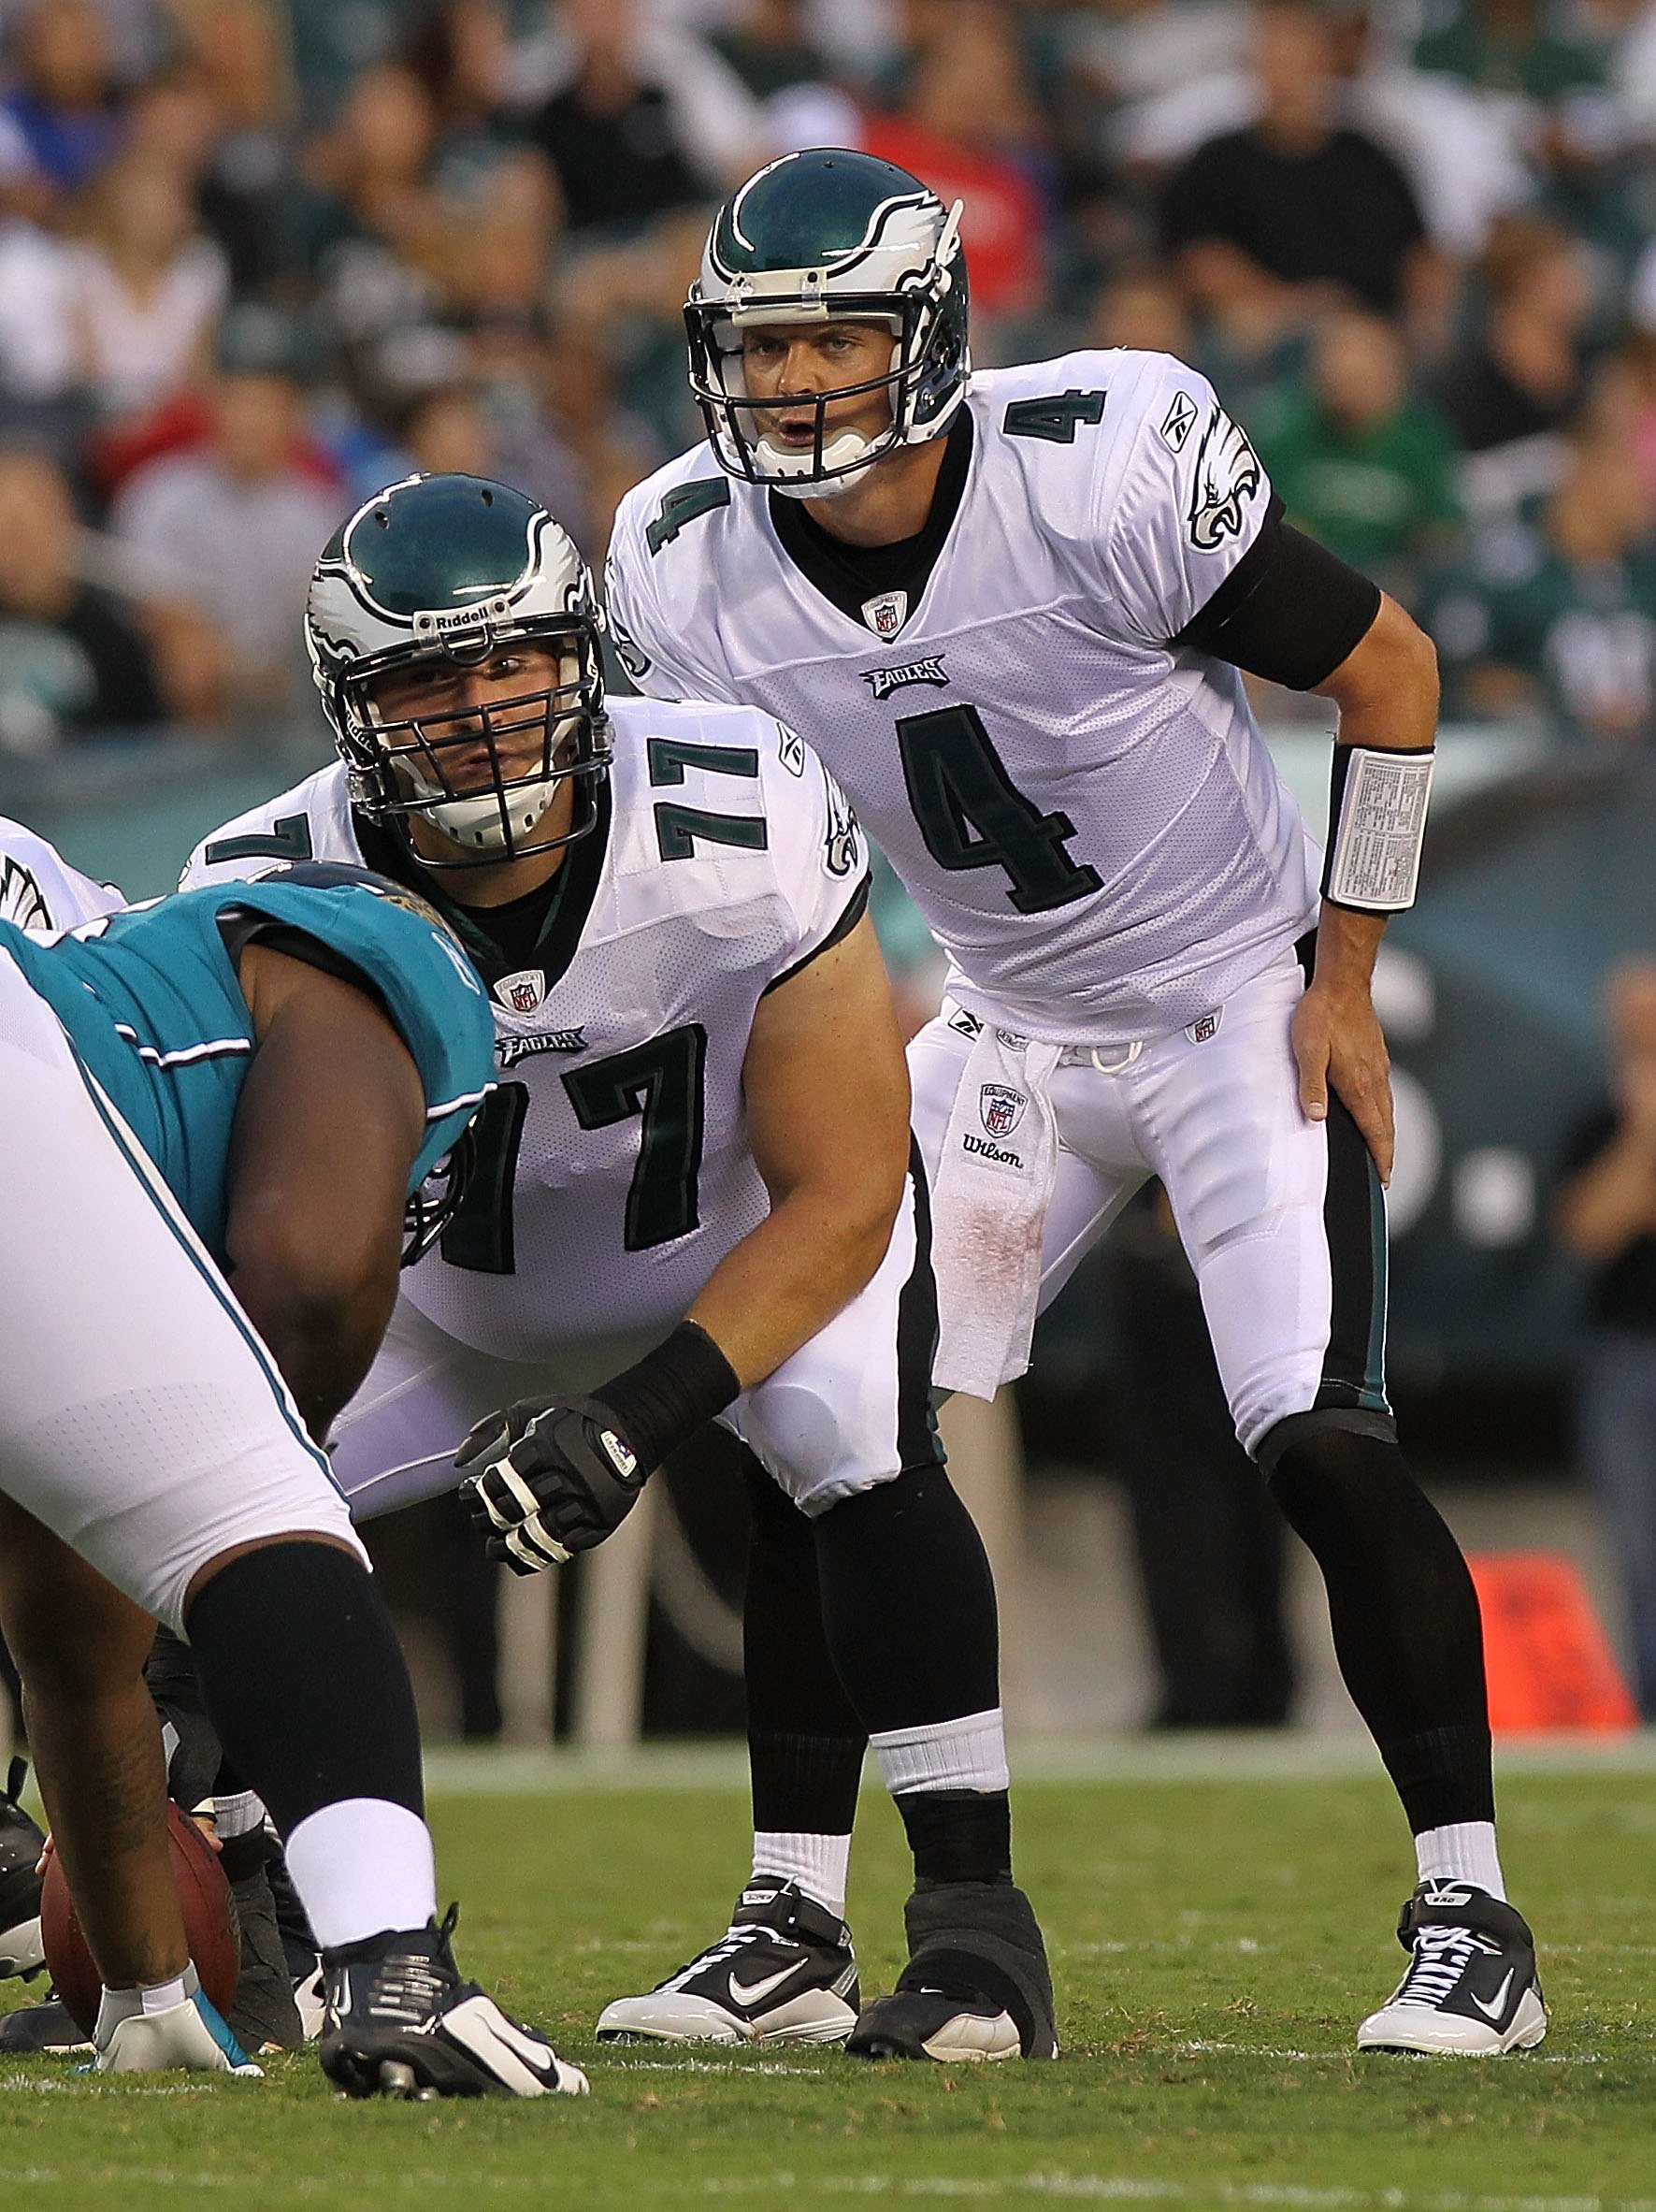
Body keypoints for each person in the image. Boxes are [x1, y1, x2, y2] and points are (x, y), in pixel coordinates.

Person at [603, 145, 1545, 2058]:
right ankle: (793, 1919)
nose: (791, 389)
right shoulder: (682, 560)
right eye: (762, 351)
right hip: (1003, 1024)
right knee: (811, 1412)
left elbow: (1392, 666)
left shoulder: (1098, 465)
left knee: (1321, 1439)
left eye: (833, 343)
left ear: (931, 335)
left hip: (1231, 1002)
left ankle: (1474, 1913)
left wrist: (1343, 976)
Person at [181, 469, 1056, 2065]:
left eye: (513, 660)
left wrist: (640, 1416)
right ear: (348, 709)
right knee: (190, 1502)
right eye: (428, 679)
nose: (484, 709)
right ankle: (266, 1915)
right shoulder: (264, 882)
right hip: (435, 1307)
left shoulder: (739, 809)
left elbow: (851, 1185)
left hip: (740, 1244)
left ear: (583, 654)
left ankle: (976, 1935)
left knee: (851, 1436)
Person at [0, 839, 586, 2098]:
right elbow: (310, 1288)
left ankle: (156, 1999)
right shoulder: (363, 959)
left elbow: (72, 1646)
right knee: (264, 1507)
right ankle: (392, 1965)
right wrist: (258, 1474)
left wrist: (149, 1992)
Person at [1559, 961, 1656, 1716]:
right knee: (1638, 1548)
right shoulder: (1597, 1117)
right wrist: (1642, 1133)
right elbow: (1591, 1228)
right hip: (1625, 1349)